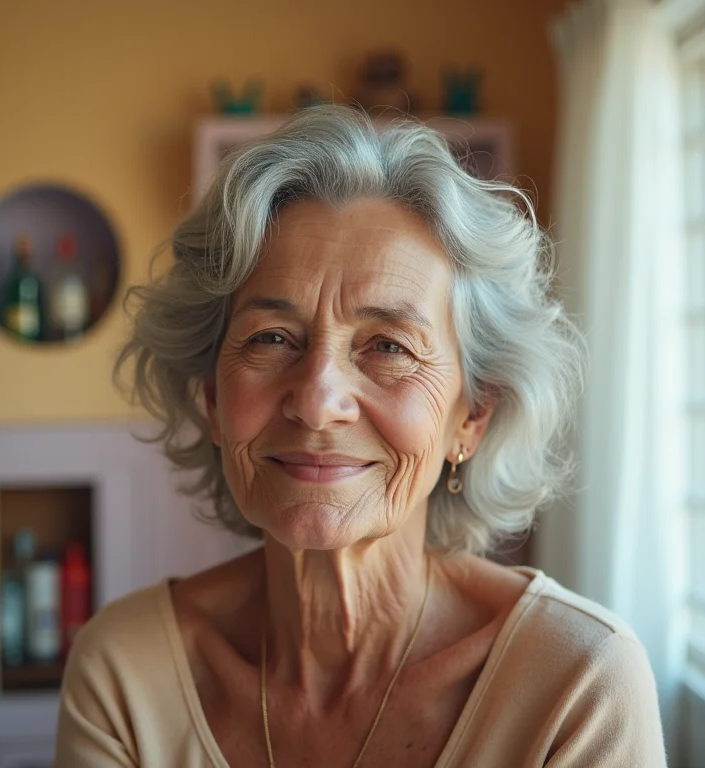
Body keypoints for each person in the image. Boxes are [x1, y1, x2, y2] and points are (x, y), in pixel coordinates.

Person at [54, 105, 667, 767]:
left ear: (473, 414)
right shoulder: (126, 672)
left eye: (389, 346)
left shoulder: (578, 682)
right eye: (271, 338)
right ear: (212, 399)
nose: (318, 403)